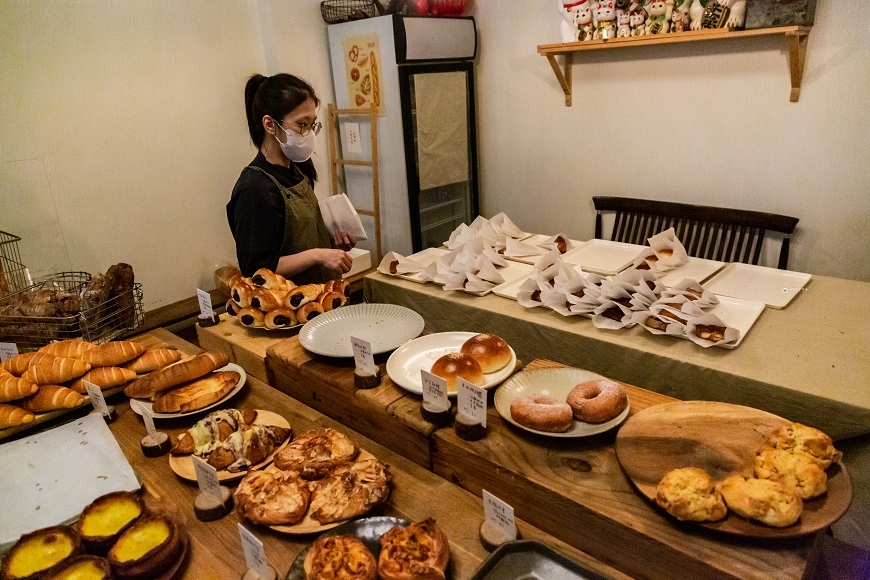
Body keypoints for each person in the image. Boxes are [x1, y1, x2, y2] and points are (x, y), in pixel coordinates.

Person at [227, 73, 356, 284]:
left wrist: (331, 245)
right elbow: (256, 270)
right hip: (287, 309)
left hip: (321, 296)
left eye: (312, 124)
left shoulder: (298, 169)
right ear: (270, 125)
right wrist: (318, 255)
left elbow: (296, 244)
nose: (309, 134)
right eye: (302, 124)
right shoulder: (255, 188)